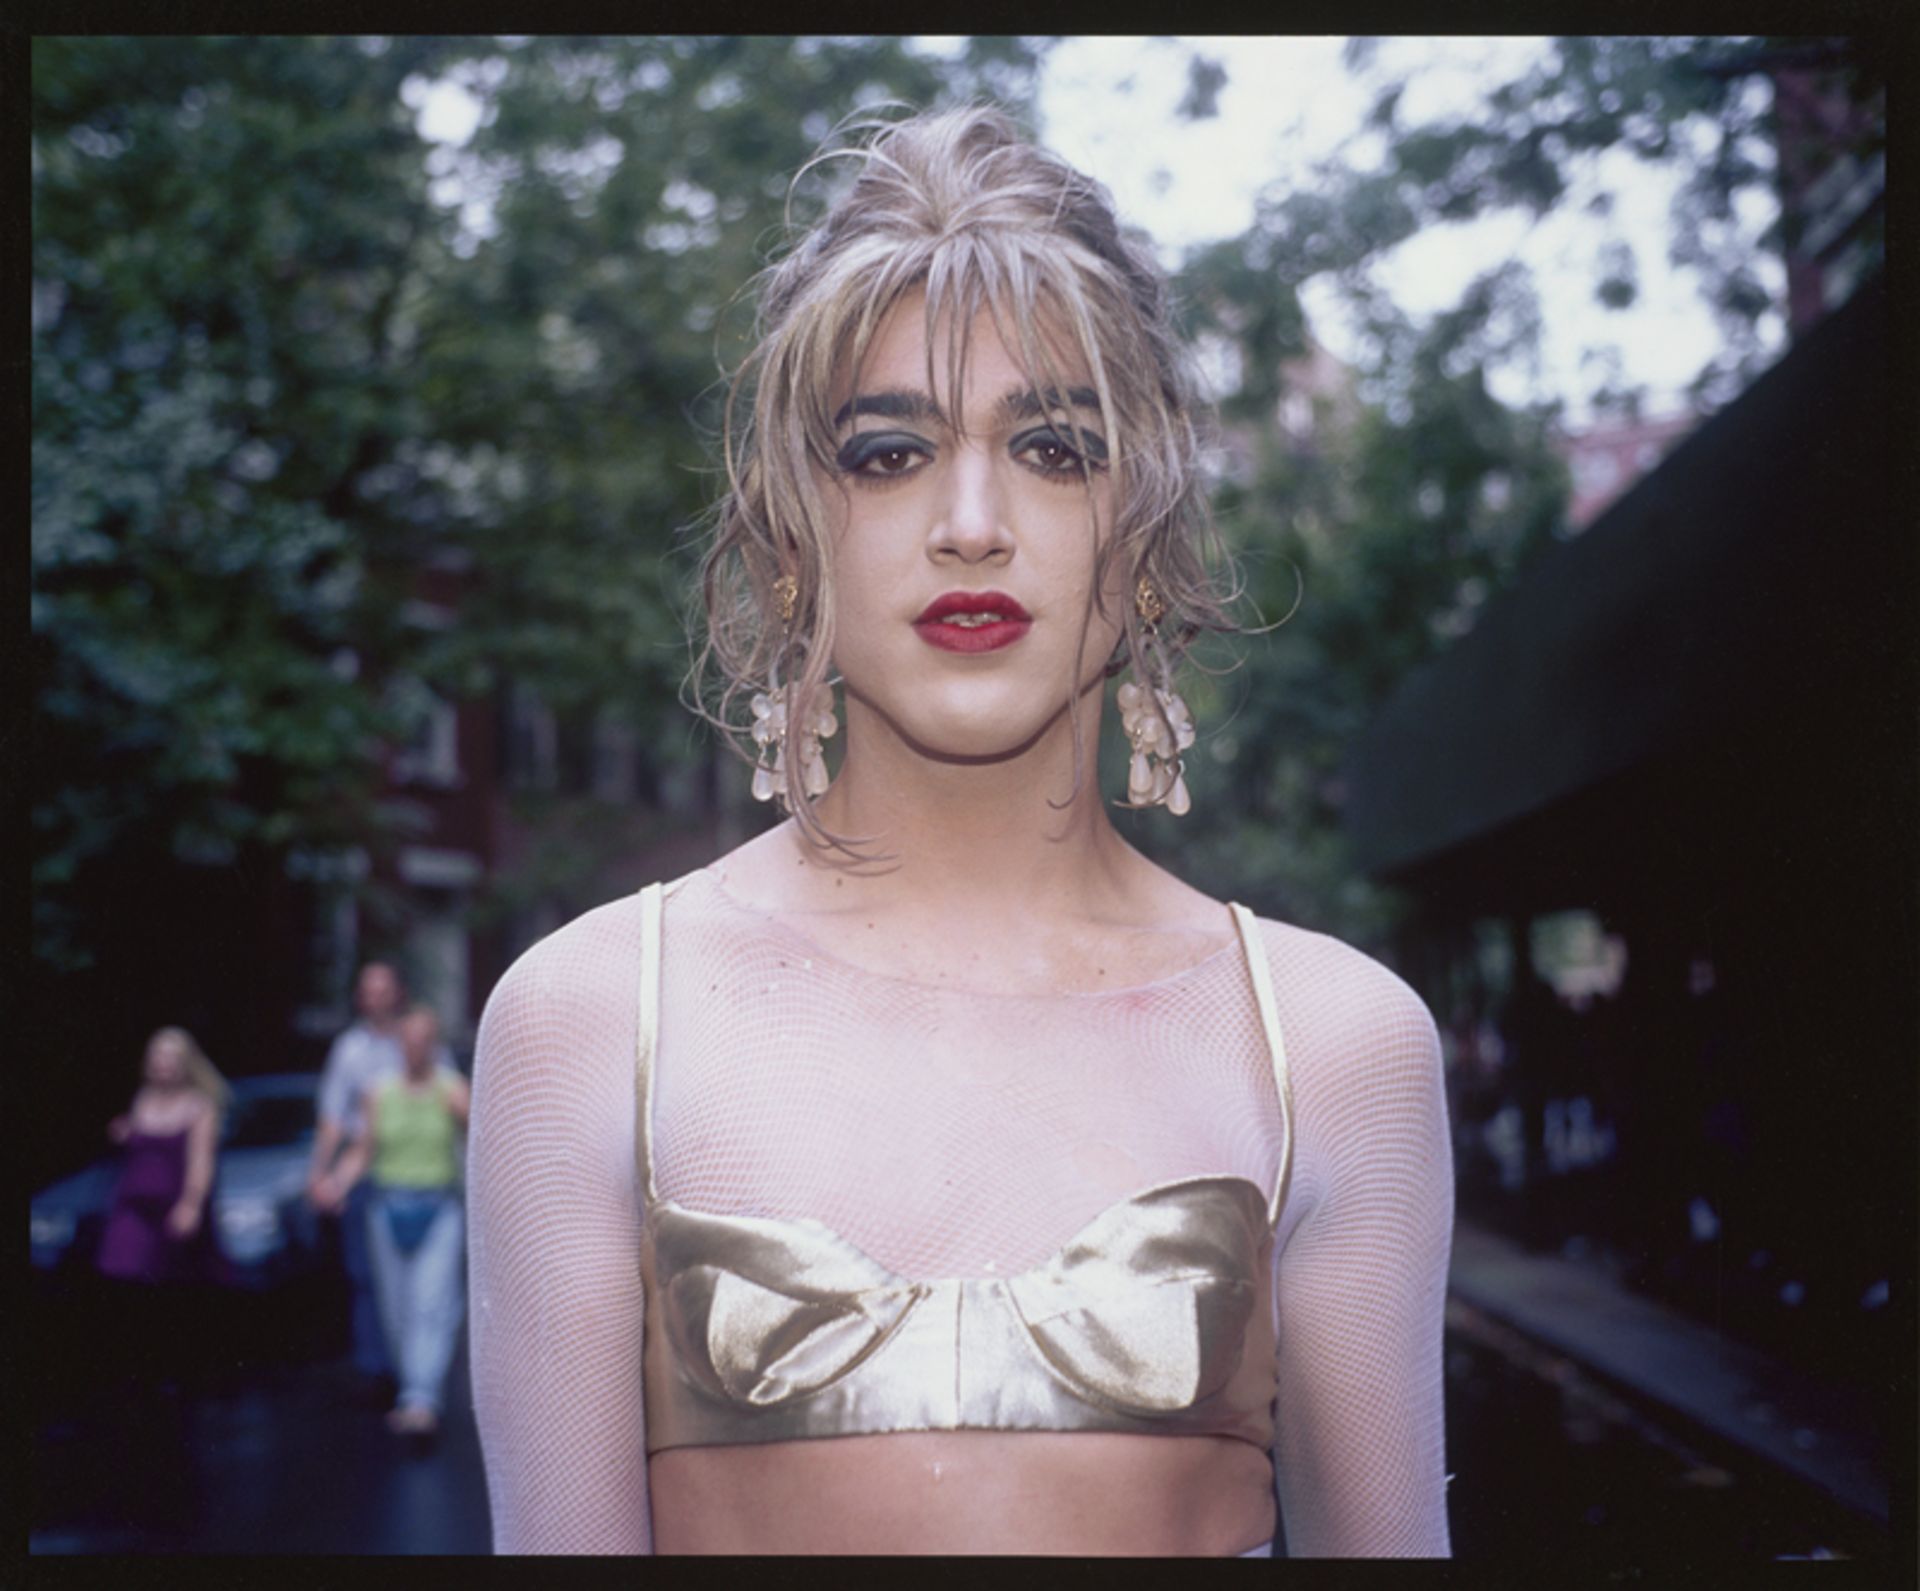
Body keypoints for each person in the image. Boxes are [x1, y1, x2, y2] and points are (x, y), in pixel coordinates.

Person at [469, 104, 1453, 1557]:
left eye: (1055, 446)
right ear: (792, 533)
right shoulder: (588, 1020)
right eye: (888, 453)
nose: (972, 521)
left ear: (1152, 522)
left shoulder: (1334, 1042)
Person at [316, 1004, 471, 1445]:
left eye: (426, 1041)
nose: (417, 1049)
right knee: (396, 1309)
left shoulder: (453, 1090)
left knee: (432, 1302)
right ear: (400, 1044)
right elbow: (362, 1149)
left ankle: (420, 1401)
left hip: (438, 1208)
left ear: (434, 1045)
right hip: (387, 1208)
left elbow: (480, 1142)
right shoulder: (379, 1092)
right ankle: (412, 1389)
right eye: (410, 1040)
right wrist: (336, 1182)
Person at [96, 1027, 232, 1389]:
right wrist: (125, 1133)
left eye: (170, 1060)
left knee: (170, 1286)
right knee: (120, 1271)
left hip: (170, 1207)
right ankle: (131, 1366)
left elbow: (201, 1162)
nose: (162, 1067)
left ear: (185, 1065)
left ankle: (171, 1369)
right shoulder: (142, 1099)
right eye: (157, 1059)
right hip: (132, 1205)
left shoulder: (198, 1106)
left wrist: (191, 1204)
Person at [307, 961, 406, 1401]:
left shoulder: (414, 1041)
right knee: (364, 1274)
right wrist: (320, 1173)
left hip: (407, 1168)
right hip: (361, 1172)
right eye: (368, 990)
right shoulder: (350, 1049)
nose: (376, 998)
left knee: (407, 1276)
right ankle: (376, 1368)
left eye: (383, 989)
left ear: (396, 994)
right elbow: (332, 1117)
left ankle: (410, 1369)